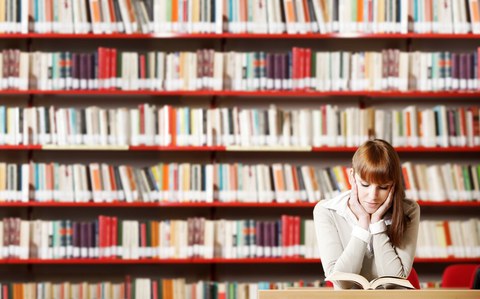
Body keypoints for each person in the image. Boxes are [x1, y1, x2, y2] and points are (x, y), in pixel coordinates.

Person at [313, 139, 420, 289]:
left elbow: (393, 282)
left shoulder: (409, 211)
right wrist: (363, 225)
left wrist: (377, 224)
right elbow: (342, 283)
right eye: (365, 185)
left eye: (383, 187)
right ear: (352, 176)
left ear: (394, 185)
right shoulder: (327, 211)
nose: (373, 196)